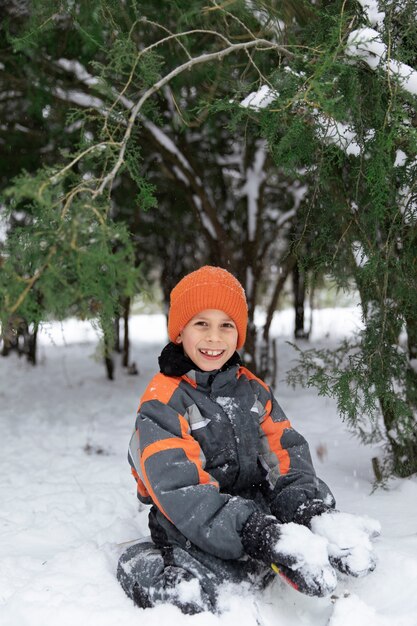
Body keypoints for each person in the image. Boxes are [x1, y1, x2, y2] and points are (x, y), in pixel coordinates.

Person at [117, 266, 380, 614]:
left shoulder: (251, 390)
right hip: (185, 519)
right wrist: (257, 533)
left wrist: (306, 511)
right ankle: (146, 564)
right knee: (206, 594)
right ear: (180, 332)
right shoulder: (163, 403)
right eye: (201, 324)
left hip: (252, 510)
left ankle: (301, 537)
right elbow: (181, 491)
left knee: (284, 550)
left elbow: (284, 454)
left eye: (226, 325)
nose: (214, 338)